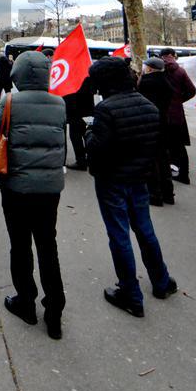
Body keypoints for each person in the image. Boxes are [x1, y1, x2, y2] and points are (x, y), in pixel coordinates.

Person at [86, 56, 177, 317]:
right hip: (139, 177)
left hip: (112, 179)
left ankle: (130, 292)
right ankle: (161, 280)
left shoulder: (106, 109)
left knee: (119, 235)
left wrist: (88, 132)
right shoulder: (148, 106)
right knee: (145, 230)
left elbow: (97, 148)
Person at [0, 51, 67, 339]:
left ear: (17, 74)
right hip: (50, 186)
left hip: (17, 185)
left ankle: (26, 301)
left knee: (20, 245)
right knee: (48, 245)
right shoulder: (59, 103)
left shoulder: (10, 101)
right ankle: (55, 309)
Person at [137, 57, 174, 206]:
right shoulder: (166, 81)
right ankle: (168, 193)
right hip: (164, 123)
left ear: (150, 68)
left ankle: (155, 194)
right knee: (163, 159)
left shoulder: (146, 83)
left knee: (151, 161)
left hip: (148, 125)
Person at [160, 48, 196, 184]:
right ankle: (183, 175)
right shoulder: (180, 71)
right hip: (176, 113)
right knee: (179, 145)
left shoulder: (157, 70)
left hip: (161, 111)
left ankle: (167, 171)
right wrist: (179, 100)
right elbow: (192, 90)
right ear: (173, 56)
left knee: (163, 144)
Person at [64, 76, 94, 171]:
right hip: (88, 108)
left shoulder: (70, 76)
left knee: (75, 135)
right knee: (87, 133)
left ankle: (81, 161)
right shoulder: (86, 74)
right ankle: (90, 159)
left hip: (75, 109)